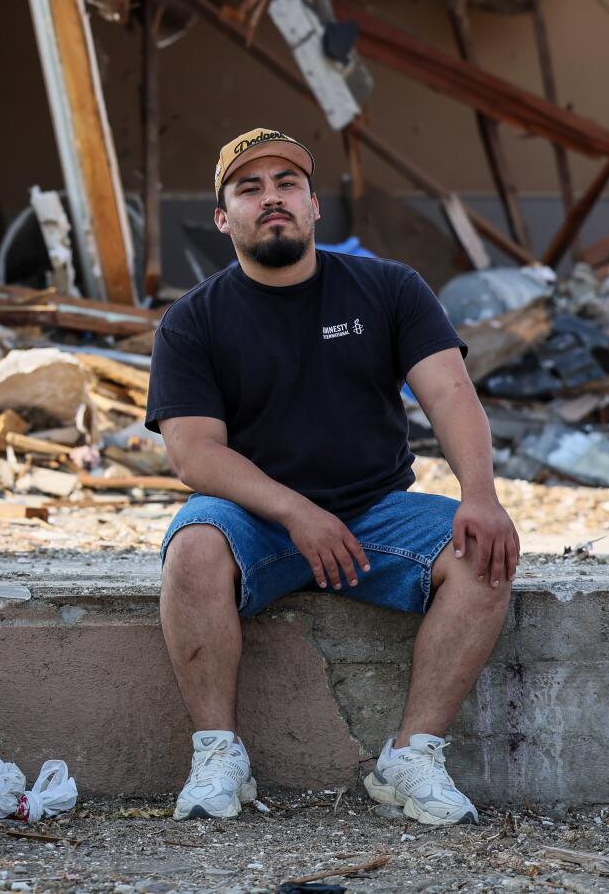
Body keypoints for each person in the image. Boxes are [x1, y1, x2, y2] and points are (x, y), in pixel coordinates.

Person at [147, 127, 519, 825]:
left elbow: (449, 393)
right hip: (252, 521)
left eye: (287, 183)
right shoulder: (193, 320)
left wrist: (480, 494)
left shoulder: (388, 288)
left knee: (487, 552)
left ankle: (410, 755)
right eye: (249, 188)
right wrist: (295, 511)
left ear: (316, 205)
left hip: (376, 511)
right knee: (192, 546)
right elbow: (194, 455)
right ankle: (219, 755)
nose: (272, 199)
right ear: (224, 217)